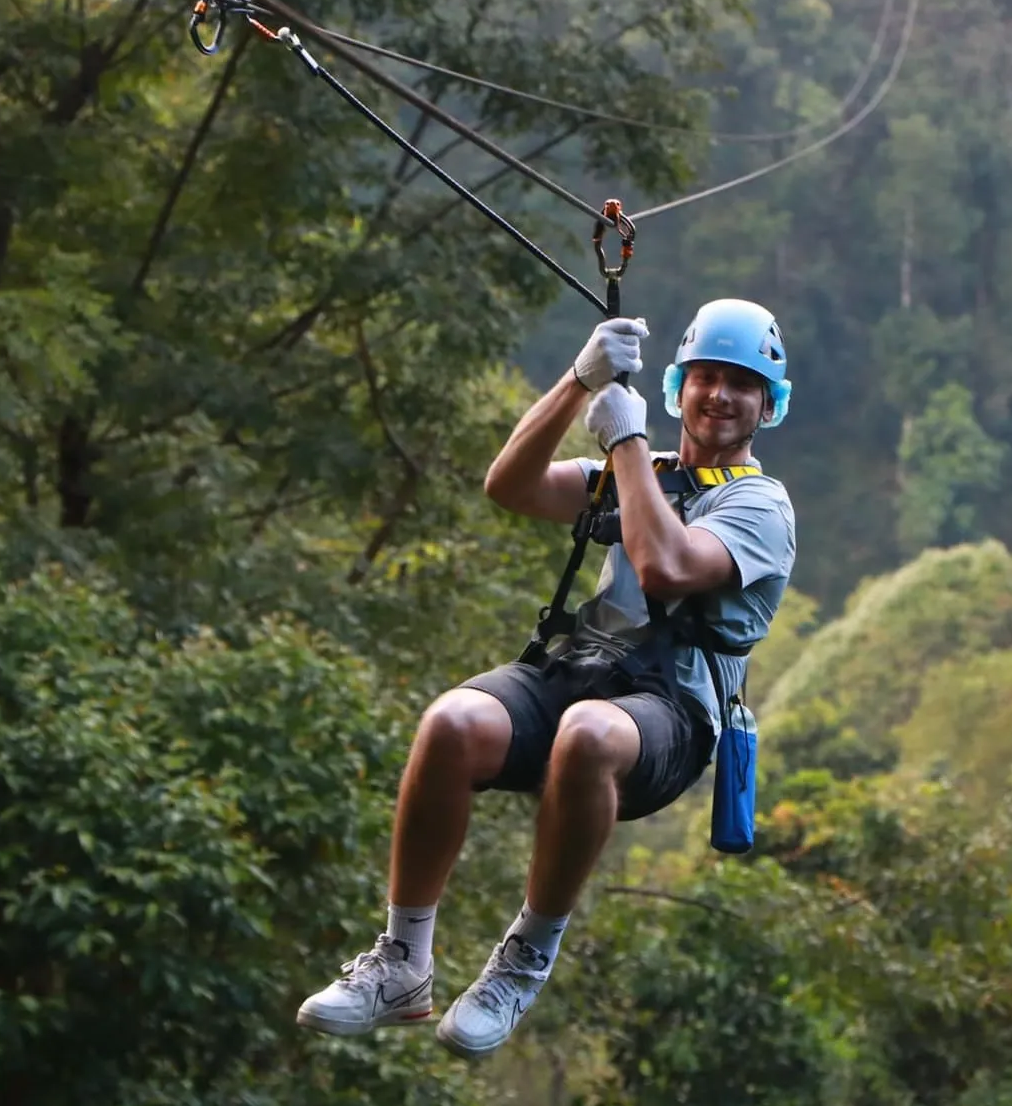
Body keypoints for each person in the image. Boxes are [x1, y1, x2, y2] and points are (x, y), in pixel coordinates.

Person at [295, 298, 797, 1060]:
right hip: (579, 671)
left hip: (669, 716)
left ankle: (524, 956)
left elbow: (666, 564)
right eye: (705, 377)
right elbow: (510, 485)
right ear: (680, 386)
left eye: (740, 383)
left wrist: (625, 437)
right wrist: (577, 381)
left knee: (587, 736)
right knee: (452, 723)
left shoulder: (759, 504)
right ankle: (402, 962)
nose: (720, 395)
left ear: (767, 404)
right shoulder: (636, 471)